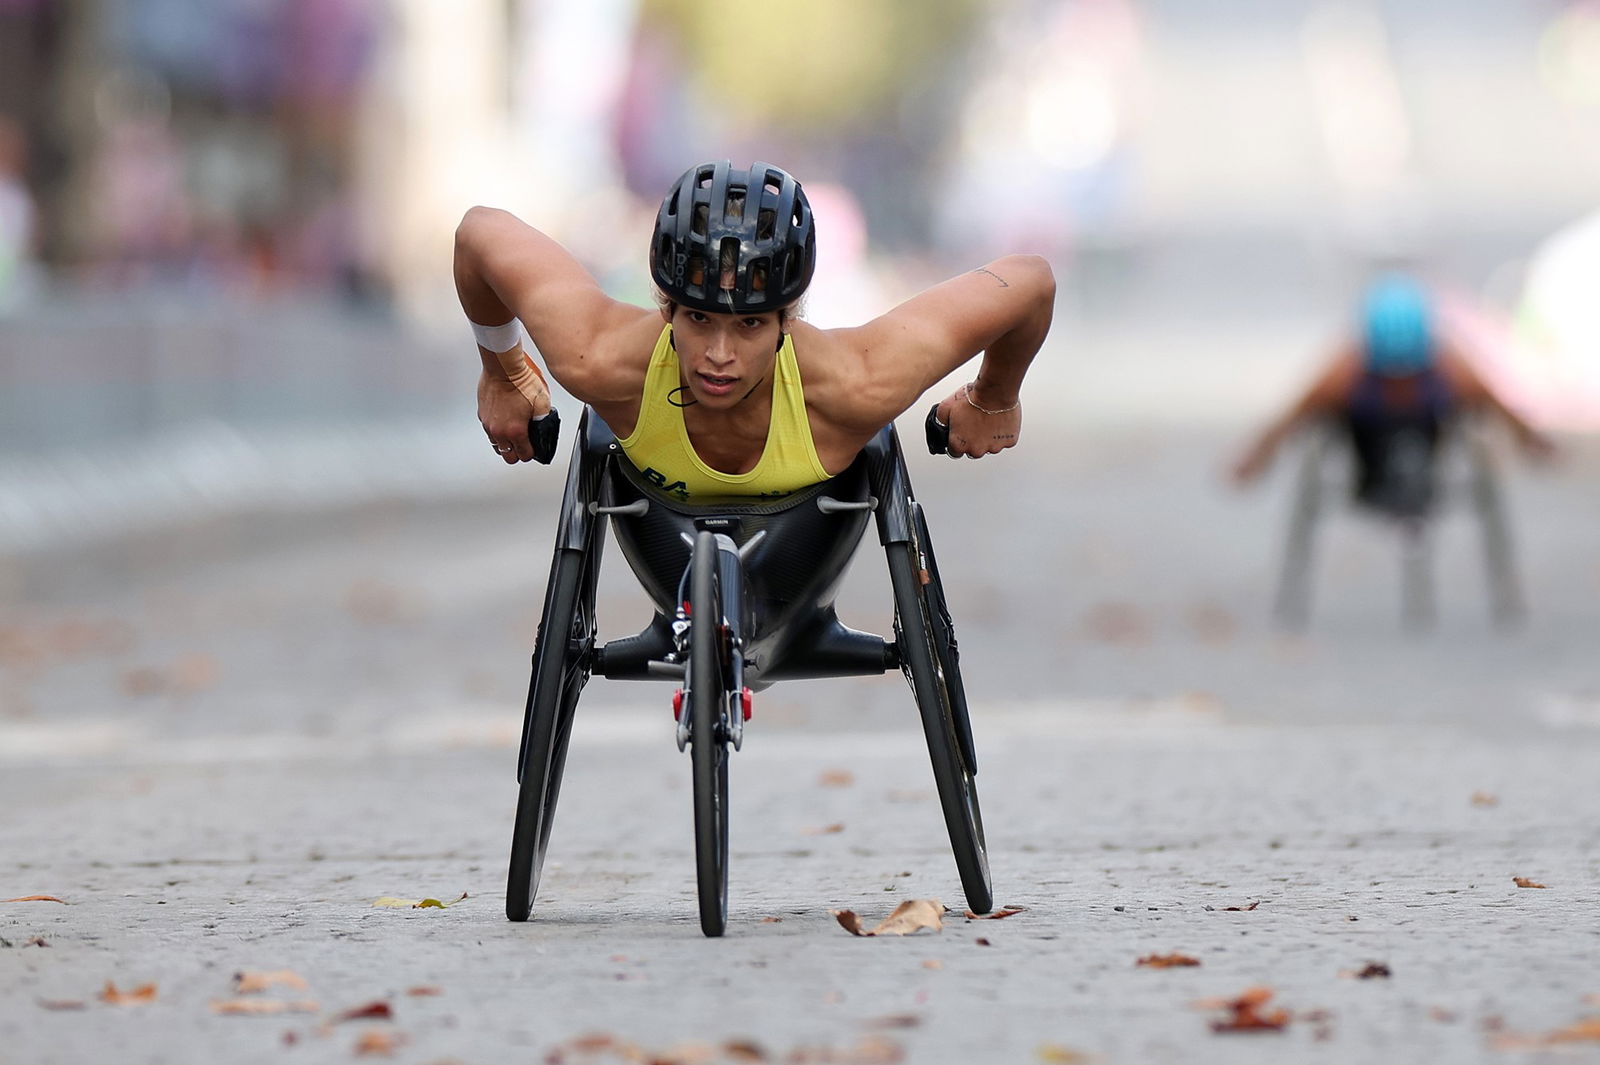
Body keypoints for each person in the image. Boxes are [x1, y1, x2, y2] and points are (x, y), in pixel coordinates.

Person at [453, 160, 1054, 496]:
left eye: (748, 326)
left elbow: (1030, 281)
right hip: (658, 526)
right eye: (698, 318)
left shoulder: (861, 381)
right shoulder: (597, 356)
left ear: (787, 320)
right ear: (666, 307)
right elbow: (478, 232)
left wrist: (995, 397)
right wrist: (503, 370)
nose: (719, 354)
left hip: (806, 542)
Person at [1231, 270, 1554, 516]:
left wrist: (1531, 441)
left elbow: (1499, 406)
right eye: (1389, 377)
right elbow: (1292, 417)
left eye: (1410, 376)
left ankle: (1415, 480)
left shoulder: (1454, 370)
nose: (1400, 386)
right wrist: (1257, 457)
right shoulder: (1342, 374)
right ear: (1371, 360)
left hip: (1428, 438)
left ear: (1426, 357)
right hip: (1367, 443)